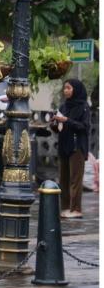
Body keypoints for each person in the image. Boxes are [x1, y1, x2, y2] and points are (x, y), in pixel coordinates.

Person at [51, 78, 91, 219]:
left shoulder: (83, 106)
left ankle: (76, 209)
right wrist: (55, 123)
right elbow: (59, 129)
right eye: (65, 88)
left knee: (75, 180)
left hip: (77, 147)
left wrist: (67, 120)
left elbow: (84, 127)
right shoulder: (64, 107)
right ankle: (66, 207)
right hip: (64, 145)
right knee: (63, 179)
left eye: (69, 88)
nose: (66, 91)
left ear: (76, 89)